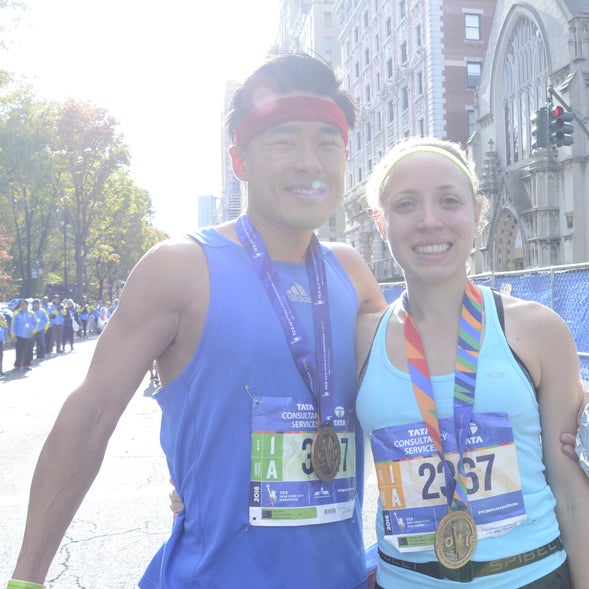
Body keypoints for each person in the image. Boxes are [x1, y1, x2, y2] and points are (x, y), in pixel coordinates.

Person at [7, 52, 386, 589]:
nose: (310, 161)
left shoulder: (352, 274)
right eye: (284, 141)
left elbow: (415, 399)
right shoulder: (179, 268)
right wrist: (27, 578)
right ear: (240, 161)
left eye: (329, 141)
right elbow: (90, 416)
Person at [354, 137, 589, 588]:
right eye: (406, 204)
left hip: (532, 576)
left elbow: (572, 495)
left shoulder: (538, 330)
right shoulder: (358, 340)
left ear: (478, 211)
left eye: (449, 200)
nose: (429, 221)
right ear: (380, 222)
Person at [11, 299, 38, 371]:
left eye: (24, 304)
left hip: (28, 336)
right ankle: (17, 365)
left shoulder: (31, 313)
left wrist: (33, 332)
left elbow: (36, 324)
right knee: (19, 351)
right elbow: (13, 325)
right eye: (21, 304)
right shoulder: (16, 314)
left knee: (28, 350)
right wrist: (13, 336)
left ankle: (26, 364)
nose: (22, 305)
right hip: (19, 336)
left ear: (27, 305)